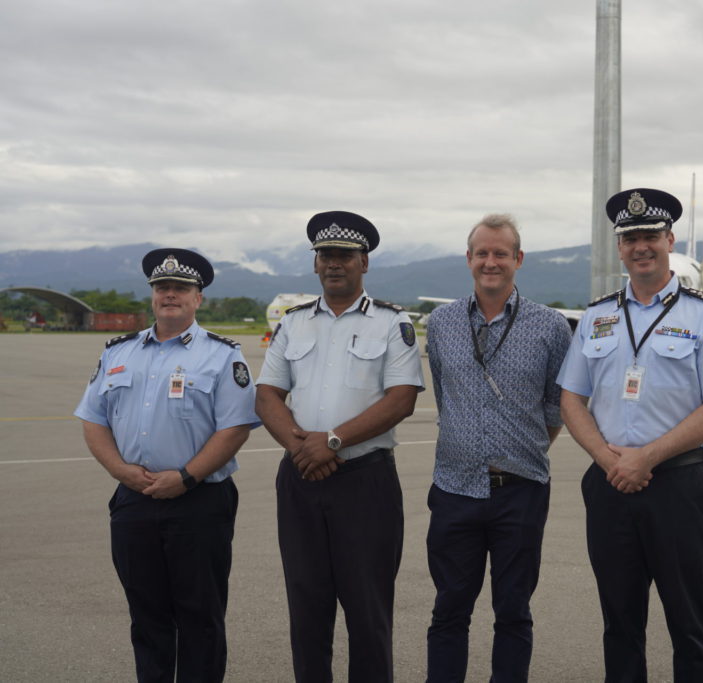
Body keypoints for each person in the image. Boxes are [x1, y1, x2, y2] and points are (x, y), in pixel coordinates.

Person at [557, 188, 703, 682]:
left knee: (690, 624)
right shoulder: (597, 317)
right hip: (609, 487)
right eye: (631, 238)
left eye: (650, 236)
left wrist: (645, 458)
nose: (641, 246)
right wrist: (609, 460)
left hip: (679, 489)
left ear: (669, 240)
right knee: (619, 624)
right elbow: (570, 400)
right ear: (620, 248)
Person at [74, 248, 260, 682]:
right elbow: (93, 419)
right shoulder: (118, 352)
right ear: (153, 296)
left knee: (201, 618)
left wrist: (187, 476)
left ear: (199, 299)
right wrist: (121, 471)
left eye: (181, 288)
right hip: (133, 500)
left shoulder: (222, 355)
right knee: (147, 616)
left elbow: (234, 428)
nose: (170, 294)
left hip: (199, 502)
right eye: (162, 288)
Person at [255, 210, 424, 683]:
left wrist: (332, 442)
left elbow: (402, 399)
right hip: (301, 480)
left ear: (363, 263)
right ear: (315, 264)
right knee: (306, 609)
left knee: (368, 613)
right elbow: (267, 394)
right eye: (326, 255)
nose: (334, 264)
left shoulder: (392, 323)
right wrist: (301, 450)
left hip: (364, 482)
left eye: (345, 255)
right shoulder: (293, 324)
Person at [424, 214, 572, 682]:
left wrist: (517, 452)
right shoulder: (442, 323)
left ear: (518, 260)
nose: (491, 262)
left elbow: (556, 408)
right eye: (482, 253)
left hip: (521, 491)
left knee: (513, 611)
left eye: (501, 253)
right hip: (454, 489)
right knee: (449, 610)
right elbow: (445, 397)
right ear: (468, 259)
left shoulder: (551, 327)